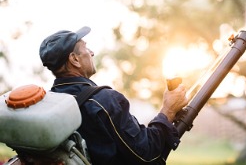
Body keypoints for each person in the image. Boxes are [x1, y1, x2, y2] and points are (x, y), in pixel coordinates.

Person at [39, 26, 188, 165]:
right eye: (86, 48)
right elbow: (146, 154)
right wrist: (168, 110)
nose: (92, 53)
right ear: (74, 59)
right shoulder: (104, 101)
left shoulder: (48, 105)